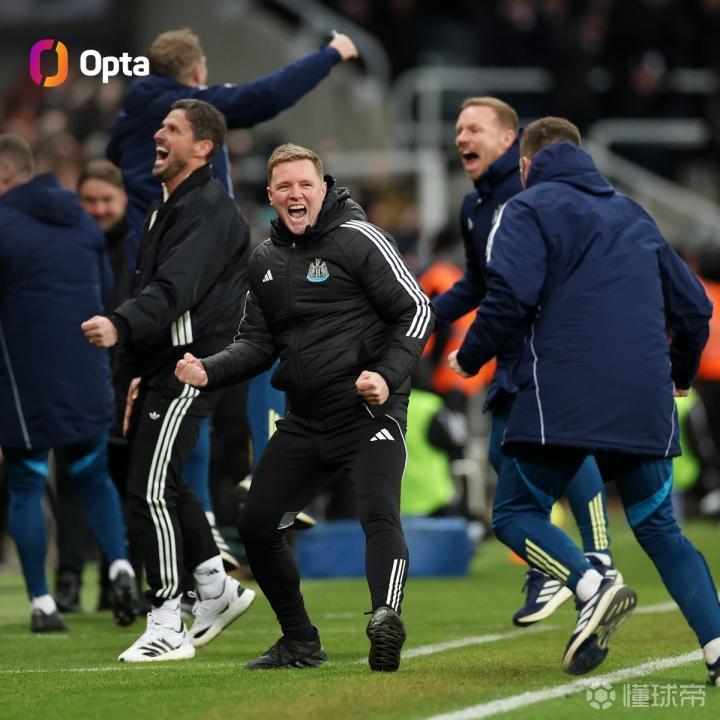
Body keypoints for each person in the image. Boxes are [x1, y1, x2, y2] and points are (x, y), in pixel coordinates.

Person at [449, 116, 720, 683]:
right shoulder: (634, 213)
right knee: (661, 531)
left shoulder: (525, 208)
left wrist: (470, 356)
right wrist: (680, 375)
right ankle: (718, 648)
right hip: (646, 398)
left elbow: (510, 295)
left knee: (515, 514)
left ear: (526, 165)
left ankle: (591, 582)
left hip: (563, 397)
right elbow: (696, 308)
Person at [175, 143, 435, 672]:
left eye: (305, 185)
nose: (296, 194)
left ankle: (386, 617)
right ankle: (299, 640)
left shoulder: (360, 238)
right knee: (256, 525)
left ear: (323, 188)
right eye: (285, 187)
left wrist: (385, 377)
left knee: (377, 512)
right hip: (305, 419)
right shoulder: (264, 259)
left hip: (368, 413)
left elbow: (417, 309)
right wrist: (209, 369)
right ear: (271, 196)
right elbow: (256, 343)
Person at [434, 97, 620, 626]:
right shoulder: (475, 207)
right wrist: (421, 316)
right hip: (517, 350)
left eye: (473, 128)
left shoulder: (529, 194)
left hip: (553, 346)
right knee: (503, 452)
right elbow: (477, 282)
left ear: (508, 139)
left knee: (557, 449)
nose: (461, 138)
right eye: (458, 129)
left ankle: (596, 559)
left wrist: (474, 350)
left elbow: (522, 286)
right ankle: (562, 565)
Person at [82, 99, 255, 662]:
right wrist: (137, 368)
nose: (159, 133)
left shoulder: (207, 209)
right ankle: (215, 586)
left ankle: (167, 621)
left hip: (191, 364)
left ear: (203, 147)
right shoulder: (170, 205)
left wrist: (120, 325)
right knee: (167, 481)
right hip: (166, 362)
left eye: (172, 128)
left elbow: (173, 289)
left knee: (149, 489)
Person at [0, 134, 138, 633]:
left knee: (27, 483)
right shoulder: (81, 222)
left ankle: (43, 602)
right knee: (93, 473)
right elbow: (103, 291)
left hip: (24, 378)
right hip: (86, 370)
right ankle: (121, 566)